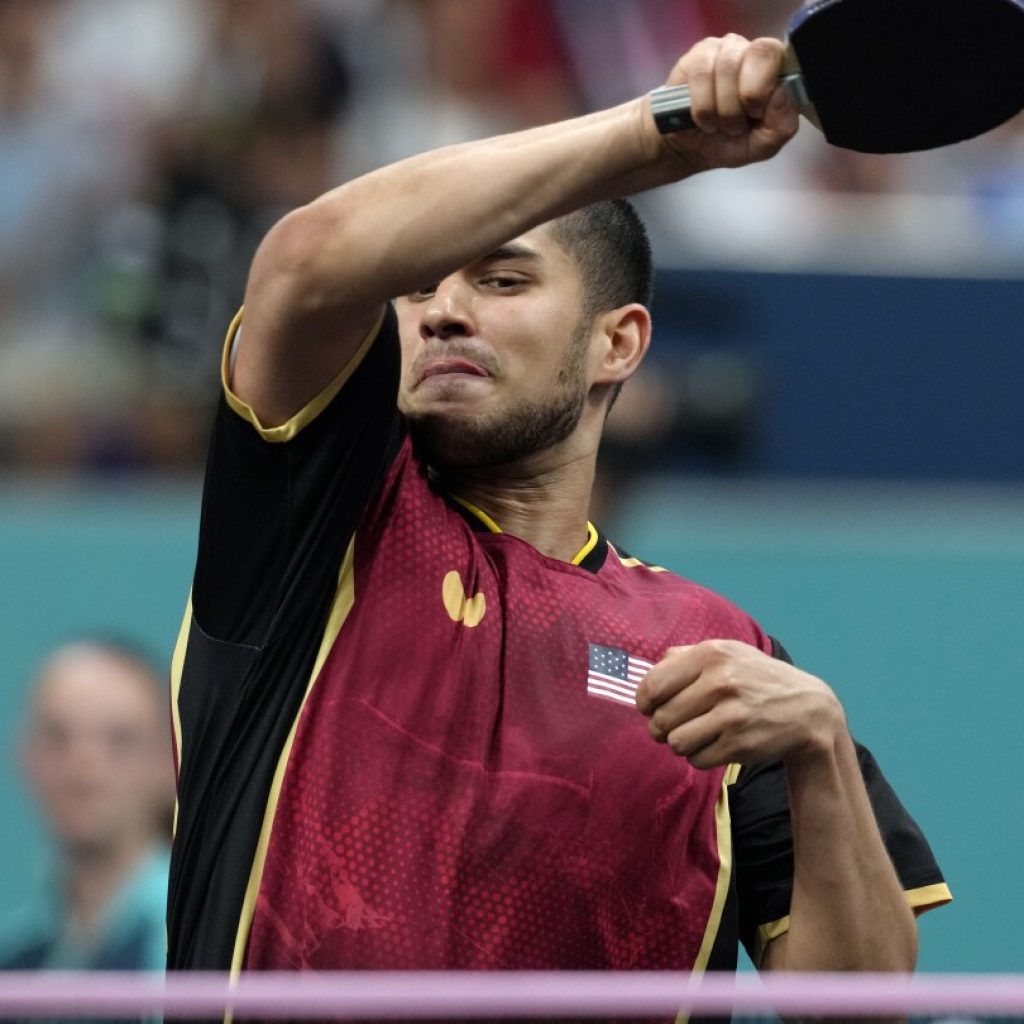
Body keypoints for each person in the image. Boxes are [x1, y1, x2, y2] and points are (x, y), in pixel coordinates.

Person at [167, 33, 951, 988]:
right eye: (420, 288)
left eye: (501, 280)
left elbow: (857, 1006)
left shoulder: (719, 657)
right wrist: (658, 135)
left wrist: (821, 746)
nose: (444, 312)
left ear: (618, 342)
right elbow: (308, 259)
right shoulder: (314, 525)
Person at [0, 639, 173, 972]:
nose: (85, 768)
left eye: (120, 740)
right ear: (25, 755)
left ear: (170, 762)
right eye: (58, 737)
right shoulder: (18, 959)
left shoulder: (198, 951)